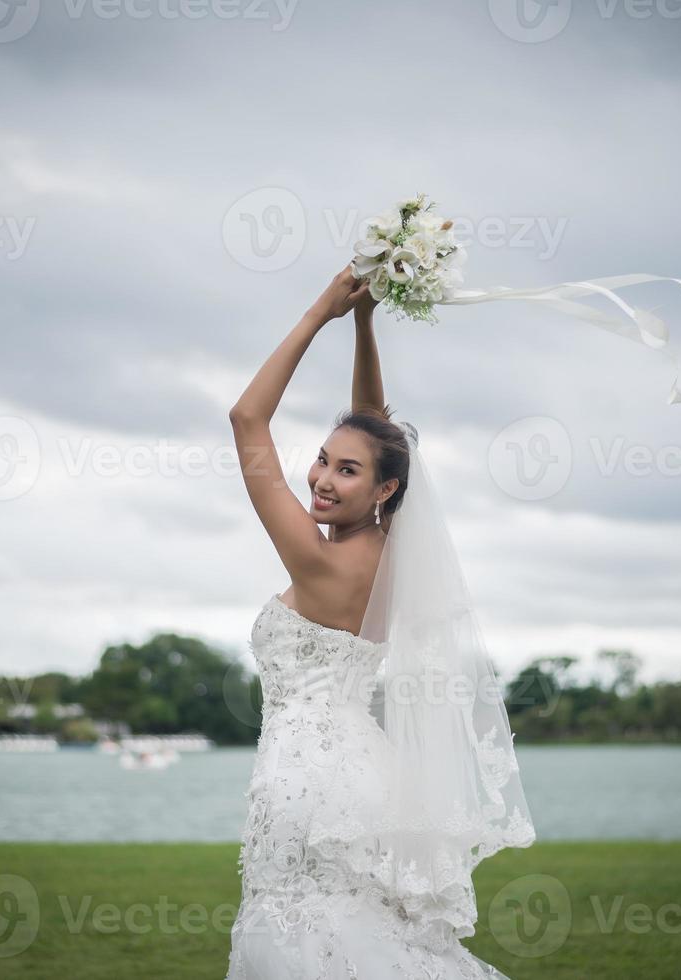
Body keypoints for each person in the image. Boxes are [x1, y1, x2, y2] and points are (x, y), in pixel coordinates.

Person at [226, 267, 534, 979]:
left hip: (305, 784)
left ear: (384, 488)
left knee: (304, 937)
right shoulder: (392, 551)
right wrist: (364, 325)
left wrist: (321, 312)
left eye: (346, 472)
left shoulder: (318, 563)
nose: (322, 481)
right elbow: (378, 430)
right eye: (320, 461)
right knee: (363, 933)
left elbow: (246, 421)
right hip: (365, 774)